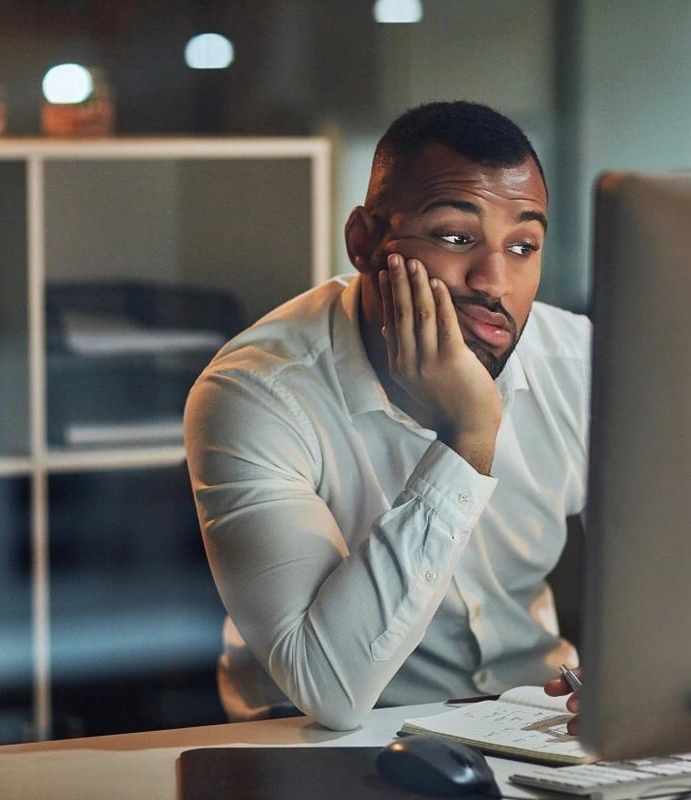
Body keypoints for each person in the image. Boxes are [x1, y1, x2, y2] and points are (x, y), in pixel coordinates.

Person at [184, 100, 589, 730]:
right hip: (314, 746)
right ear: (364, 242)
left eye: (523, 246)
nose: (494, 280)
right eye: (457, 237)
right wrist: (467, 437)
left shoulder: (578, 362)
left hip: (533, 723)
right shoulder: (254, 391)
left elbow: (683, 566)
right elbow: (328, 688)